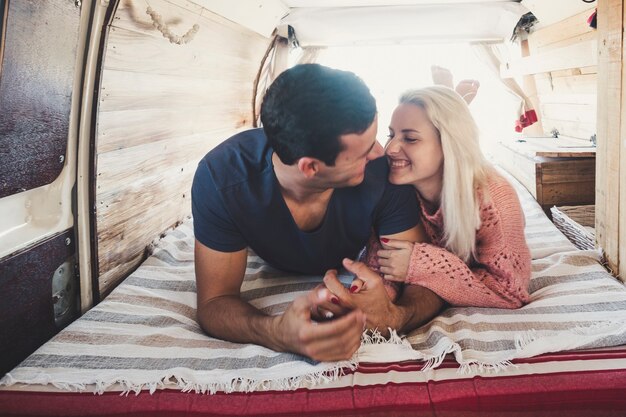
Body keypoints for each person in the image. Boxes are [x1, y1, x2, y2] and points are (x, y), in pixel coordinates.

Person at [191, 64, 444, 362]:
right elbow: (215, 302)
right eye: (363, 152)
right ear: (311, 167)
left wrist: (397, 316)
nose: (381, 152)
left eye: (376, 136)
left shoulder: (385, 174)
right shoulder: (222, 179)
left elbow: (427, 275)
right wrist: (275, 331)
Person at [331, 86, 531, 310]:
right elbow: (387, 264)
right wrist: (370, 298)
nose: (390, 148)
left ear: (449, 144)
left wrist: (425, 264)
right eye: (391, 135)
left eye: (410, 138)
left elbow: (510, 292)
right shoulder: (393, 186)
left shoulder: (494, 201)